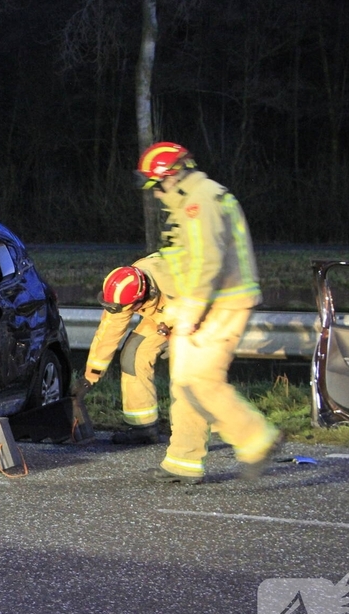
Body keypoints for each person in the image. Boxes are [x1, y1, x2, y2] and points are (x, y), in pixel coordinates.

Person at [136, 141, 281, 484]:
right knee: (184, 382)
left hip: (221, 304)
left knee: (200, 382)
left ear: (172, 177)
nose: (156, 195)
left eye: (157, 186)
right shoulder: (196, 199)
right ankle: (183, 462)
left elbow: (207, 261)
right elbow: (186, 260)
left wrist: (192, 311)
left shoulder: (199, 202)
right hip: (206, 302)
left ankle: (256, 438)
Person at [80, 254, 176, 445]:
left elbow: (206, 311)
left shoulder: (174, 287)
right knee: (134, 355)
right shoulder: (128, 287)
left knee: (186, 371)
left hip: (203, 317)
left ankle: (190, 433)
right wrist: (89, 378)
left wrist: (179, 339)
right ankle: (143, 428)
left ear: (140, 300)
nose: (122, 311)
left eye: (127, 308)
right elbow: (108, 334)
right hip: (163, 316)